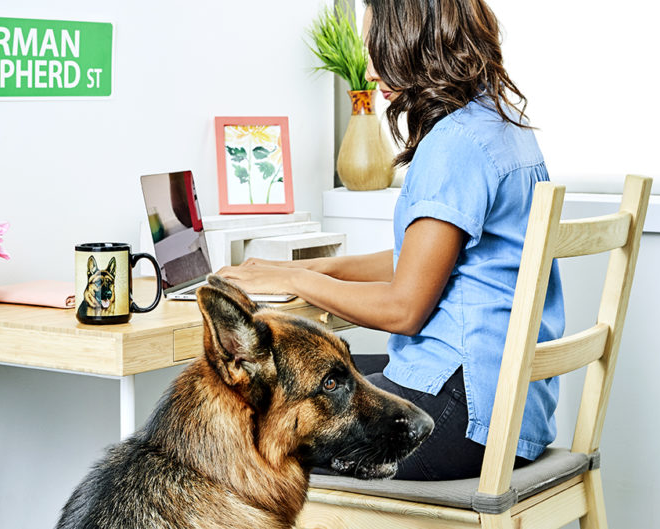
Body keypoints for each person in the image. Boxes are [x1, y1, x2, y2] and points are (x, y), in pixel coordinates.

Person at [217, 0, 564, 481]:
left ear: (416, 40)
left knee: (247, 421)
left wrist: (294, 280)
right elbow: (422, 262)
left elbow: (404, 309)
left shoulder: (455, 144)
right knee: (313, 381)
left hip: (461, 416)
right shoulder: (501, 126)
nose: (370, 68)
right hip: (508, 406)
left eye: (376, 47)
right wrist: (313, 268)